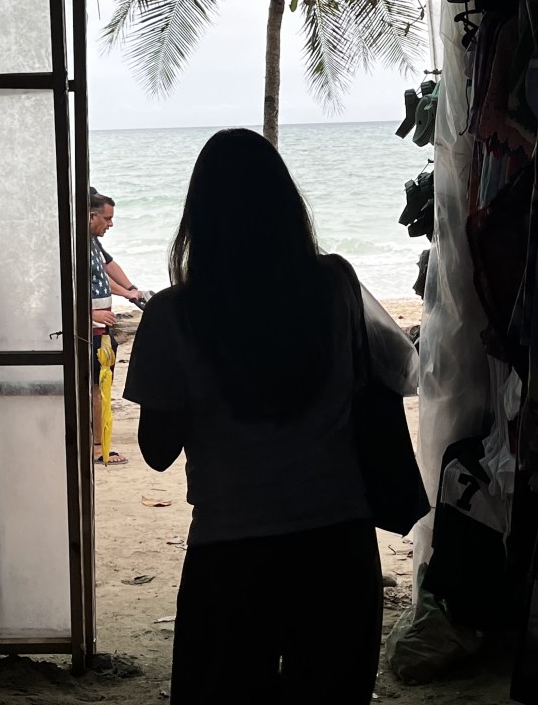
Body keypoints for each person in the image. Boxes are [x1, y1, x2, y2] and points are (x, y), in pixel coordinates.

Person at [124, 128, 384, 705]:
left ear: (199, 217)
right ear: (286, 206)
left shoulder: (173, 315)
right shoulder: (336, 284)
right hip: (338, 543)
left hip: (232, 552)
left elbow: (157, 450)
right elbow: (377, 379)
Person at [90, 191, 144, 465]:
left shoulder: (92, 244)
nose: (110, 224)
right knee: (96, 388)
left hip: (103, 324)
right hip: (91, 328)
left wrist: (129, 292)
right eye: (107, 218)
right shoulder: (76, 247)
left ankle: (99, 442)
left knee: (102, 385)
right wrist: (90, 313)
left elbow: (104, 275)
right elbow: (61, 290)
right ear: (91, 215)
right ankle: (98, 447)